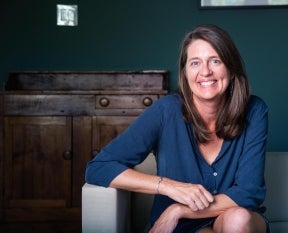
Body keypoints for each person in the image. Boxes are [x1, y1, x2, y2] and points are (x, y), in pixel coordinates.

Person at [85, 24, 269, 233]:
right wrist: (168, 186)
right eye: (195, 63)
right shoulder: (166, 111)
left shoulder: (254, 110)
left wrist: (178, 210)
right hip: (182, 228)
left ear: (232, 69)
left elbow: (249, 192)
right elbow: (98, 168)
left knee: (238, 218)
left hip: (233, 215)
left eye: (215, 61)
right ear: (185, 72)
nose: (205, 72)